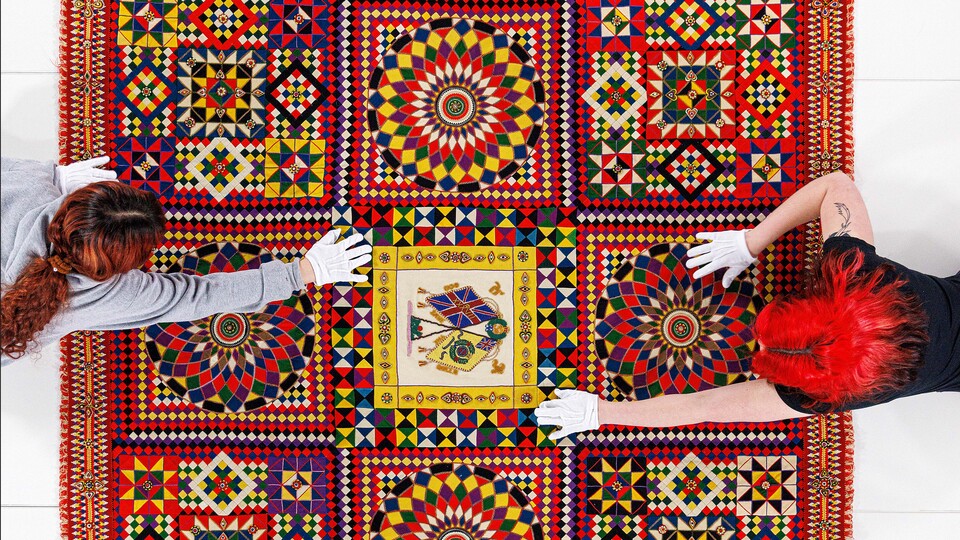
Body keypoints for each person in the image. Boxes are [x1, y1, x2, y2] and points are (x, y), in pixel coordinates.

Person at [535, 171, 960, 439]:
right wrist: (749, 240)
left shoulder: (855, 275)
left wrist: (604, 413)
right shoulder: (853, 271)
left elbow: (706, 406)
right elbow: (836, 185)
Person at [0, 156, 372, 365]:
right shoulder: (113, 295)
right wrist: (302, 271)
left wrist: (46, 174)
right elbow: (195, 295)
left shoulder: (22, 189)